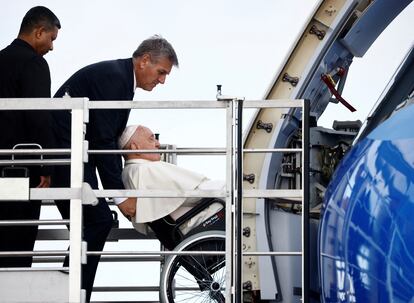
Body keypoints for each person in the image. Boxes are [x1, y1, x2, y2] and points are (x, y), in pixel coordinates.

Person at [52, 35, 178, 301]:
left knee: (95, 221)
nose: (163, 80)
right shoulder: (116, 79)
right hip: (63, 153)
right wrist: (120, 196)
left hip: (74, 153)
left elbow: (103, 139)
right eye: (161, 72)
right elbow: (103, 140)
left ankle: (68, 290)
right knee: (96, 220)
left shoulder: (121, 79)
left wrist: (114, 191)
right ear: (144, 60)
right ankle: (68, 292)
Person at [0, 6, 61, 268]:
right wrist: (45, 167)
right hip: (18, 169)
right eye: (51, 39)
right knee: (17, 245)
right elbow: (39, 117)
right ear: (39, 32)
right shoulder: (34, 63)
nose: (51, 47)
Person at [118, 125, 224, 236]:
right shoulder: (146, 169)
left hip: (183, 227)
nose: (158, 144)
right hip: (197, 221)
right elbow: (195, 194)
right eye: (151, 139)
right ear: (135, 147)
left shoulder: (130, 171)